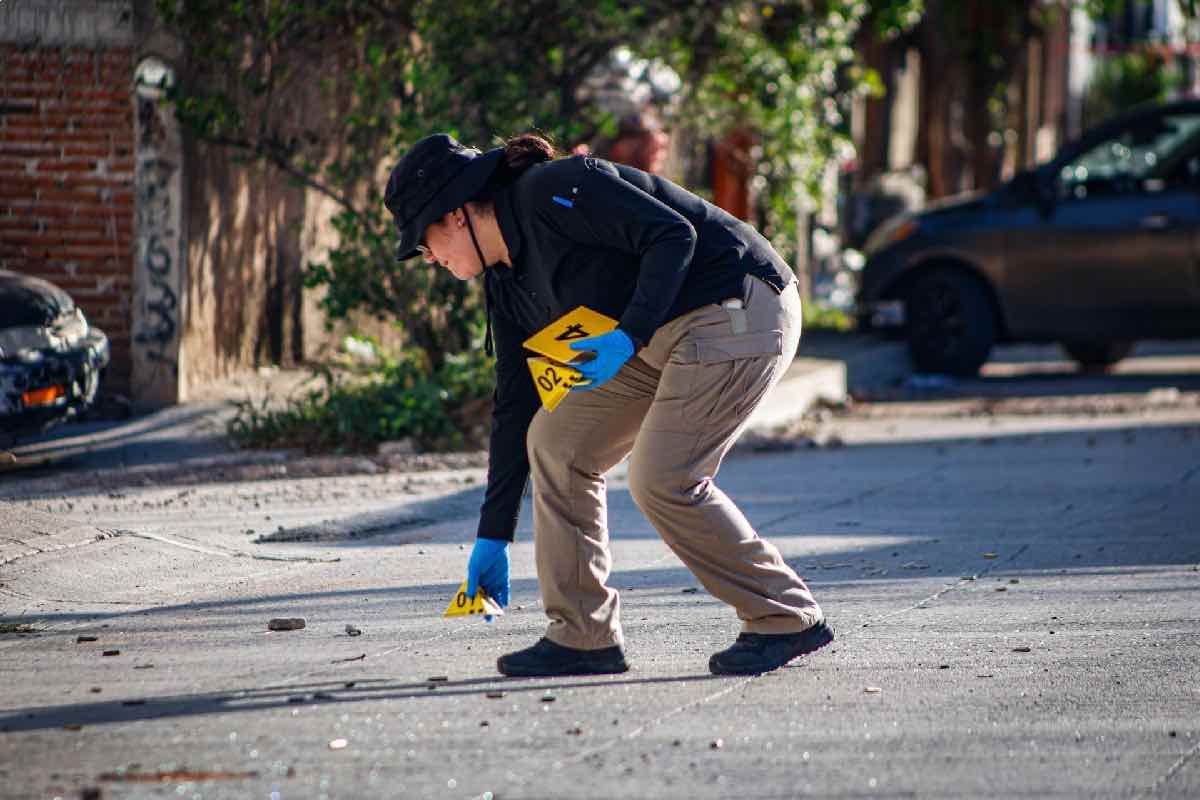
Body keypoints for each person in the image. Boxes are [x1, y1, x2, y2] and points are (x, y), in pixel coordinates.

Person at [384, 133, 832, 677]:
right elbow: (515, 400)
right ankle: (583, 635)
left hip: (737, 303)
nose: (428, 257)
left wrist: (627, 335)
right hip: (653, 337)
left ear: (456, 215)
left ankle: (785, 616)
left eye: (424, 241)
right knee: (555, 441)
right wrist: (492, 535)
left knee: (663, 479)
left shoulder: (552, 190)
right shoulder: (505, 281)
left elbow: (673, 235)